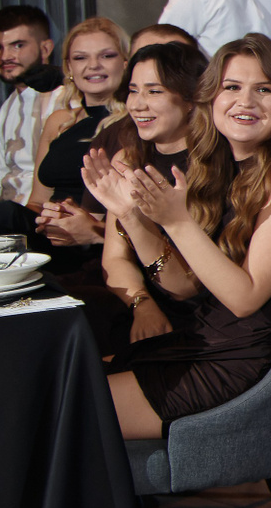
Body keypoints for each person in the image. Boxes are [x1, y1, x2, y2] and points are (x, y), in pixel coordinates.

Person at [93, 33, 271, 441]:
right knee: (53, 383)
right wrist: (130, 215)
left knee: (60, 410)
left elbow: (245, 298)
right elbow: (186, 288)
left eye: (263, 89)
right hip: (199, 342)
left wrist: (177, 222)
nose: (245, 102)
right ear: (211, 98)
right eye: (231, 87)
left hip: (236, 361)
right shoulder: (223, 170)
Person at [73, 42, 207, 349]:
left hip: (195, 314)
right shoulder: (127, 158)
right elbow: (115, 258)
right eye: (133, 91)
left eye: (154, 91)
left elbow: (186, 288)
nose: (137, 104)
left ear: (190, 99)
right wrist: (141, 303)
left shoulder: (209, 167)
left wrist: (132, 217)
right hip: (136, 300)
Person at [27, 18, 130, 225]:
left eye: (106, 56)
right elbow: (37, 202)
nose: (93, 65)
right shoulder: (59, 121)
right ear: (69, 67)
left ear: (125, 62)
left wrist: (90, 229)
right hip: (47, 229)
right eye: (81, 58)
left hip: (102, 233)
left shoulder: (135, 122)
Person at [0, 5, 59, 205]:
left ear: (45, 49)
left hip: (44, 215)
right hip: (7, 212)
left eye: (17, 45)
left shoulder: (66, 100)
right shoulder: (8, 106)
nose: (5, 56)